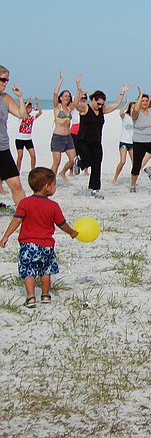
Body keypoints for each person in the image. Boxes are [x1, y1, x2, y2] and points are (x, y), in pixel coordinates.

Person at [0, 167, 78, 308]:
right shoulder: (53, 206)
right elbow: (62, 224)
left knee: (29, 271)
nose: (55, 187)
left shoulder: (24, 203)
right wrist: (72, 232)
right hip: (47, 246)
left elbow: (17, 220)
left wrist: (6, 236)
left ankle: (30, 298)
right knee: (45, 270)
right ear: (47, 186)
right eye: (54, 185)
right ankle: (45, 295)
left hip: (28, 245)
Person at [73, 77, 130, 198]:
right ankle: (79, 162)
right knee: (88, 161)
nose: (99, 106)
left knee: (97, 164)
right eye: (98, 103)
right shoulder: (85, 108)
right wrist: (78, 88)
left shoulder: (102, 110)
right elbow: (75, 104)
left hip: (96, 142)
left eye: (102, 104)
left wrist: (122, 92)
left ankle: (94, 189)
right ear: (92, 99)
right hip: (83, 141)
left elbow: (116, 105)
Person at [0, 66, 28, 206]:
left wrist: (20, 97)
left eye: (7, 80)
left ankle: (25, 214)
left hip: (2, 148)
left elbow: (22, 115)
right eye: (2, 79)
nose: (5, 83)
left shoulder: (5, 98)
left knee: (16, 184)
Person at [129, 88, 151, 193]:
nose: (145, 102)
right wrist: (140, 95)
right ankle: (133, 185)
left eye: (147, 100)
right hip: (139, 142)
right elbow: (136, 110)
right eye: (142, 100)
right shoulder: (135, 113)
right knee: (137, 165)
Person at [50, 72, 78, 182]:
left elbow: (76, 101)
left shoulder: (70, 108)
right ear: (61, 97)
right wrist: (61, 80)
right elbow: (55, 92)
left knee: (73, 160)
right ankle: (51, 181)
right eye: (65, 95)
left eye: (69, 96)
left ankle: (63, 172)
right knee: (56, 162)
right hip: (58, 137)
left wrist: (78, 86)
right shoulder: (57, 107)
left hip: (68, 138)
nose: (67, 97)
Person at [16, 99, 43, 171]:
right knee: (20, 156)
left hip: (28, 139)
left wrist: (37, 103)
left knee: (33, 155)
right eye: (29, 108)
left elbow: (40, 112)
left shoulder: (32, 117)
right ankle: (17, 171)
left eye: (31, 108)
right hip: (20, 139)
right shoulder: (21, 116)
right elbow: (22, 109)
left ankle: (33, 170)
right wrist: (27, 102)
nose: (30, 109)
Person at [112, 100, 135, 184]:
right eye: (132, 107)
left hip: (133, 143)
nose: (133, 109)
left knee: (135, 163)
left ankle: (134, 180)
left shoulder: (137, 118)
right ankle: (115, 177)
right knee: (122, 161)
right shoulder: (125, 116)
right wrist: (126, 104)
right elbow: (120, 113)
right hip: (124, 142)